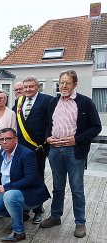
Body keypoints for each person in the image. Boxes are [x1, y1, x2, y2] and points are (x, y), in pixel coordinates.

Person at [39, 70, 102, 238]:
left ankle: (80, 222)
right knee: (58, 187)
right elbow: (47, 125)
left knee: (77, 189)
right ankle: (55, 216)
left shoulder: (85, 102)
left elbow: (96, 127)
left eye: (67, 82)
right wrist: (47, 137)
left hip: (75, 150)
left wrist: (77, 139)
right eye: (61, 83)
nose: (64, 86)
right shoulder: (53, 102)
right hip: (55, 151)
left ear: (75, 84)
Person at [0, 128, 50, 242]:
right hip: (7, 192)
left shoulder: (27, 154)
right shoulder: (1, 153)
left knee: (10, 196)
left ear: (16, 140)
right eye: (1, 139)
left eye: (8, 139)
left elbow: (30, 179)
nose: (4, 142)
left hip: (28, 193)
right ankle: (19, 215)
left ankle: (19, 232)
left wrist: (6, 187)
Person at [12, 76, 53, 224]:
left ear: (38, 87)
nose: (28, 89)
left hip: (38, 148)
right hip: (22, 148)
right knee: (21, 177)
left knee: (37, 178)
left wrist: (46, 141)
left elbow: (50, 123)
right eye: (26, 87)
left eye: (31, 86)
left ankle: (38, 209)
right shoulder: (18, 102)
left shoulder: (47, 100)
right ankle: (24, 207)